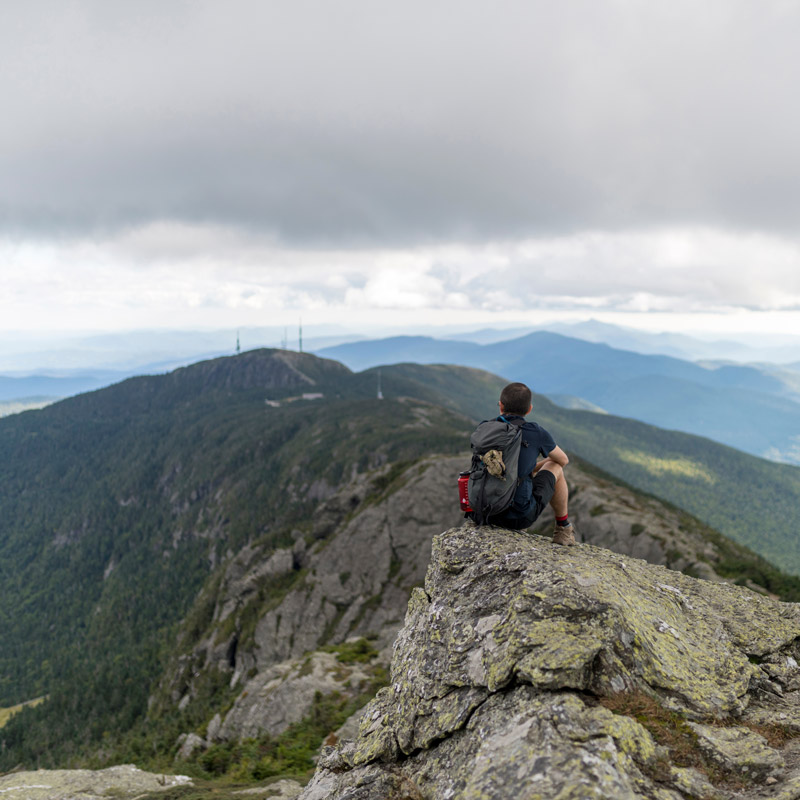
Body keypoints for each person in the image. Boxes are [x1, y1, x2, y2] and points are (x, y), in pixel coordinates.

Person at [486, 382, 576, 546]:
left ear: (501, 406)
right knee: (555, 466)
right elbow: (563, 460)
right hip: (518, 517)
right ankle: (563, 529)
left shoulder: (485, 429)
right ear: (529, 409)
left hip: (484, 513)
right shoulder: (535, 432)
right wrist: (533, 467)